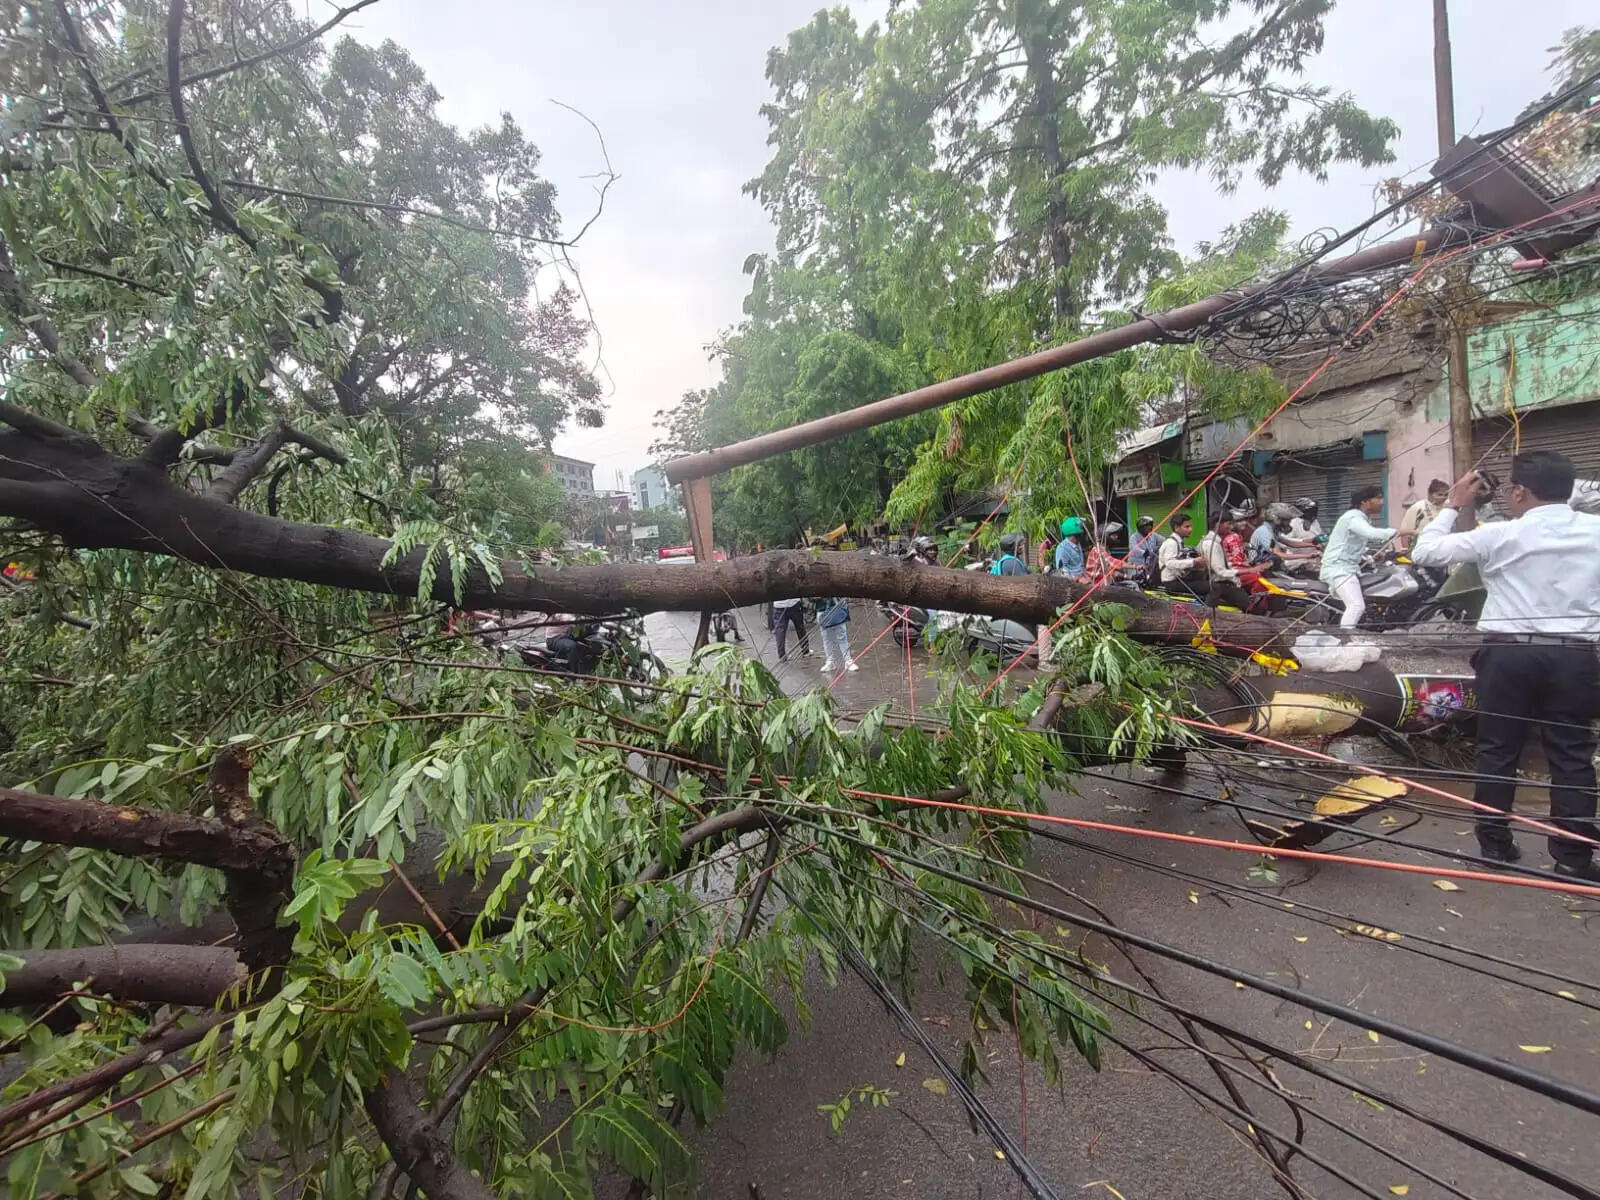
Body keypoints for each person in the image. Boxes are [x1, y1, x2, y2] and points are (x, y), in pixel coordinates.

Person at [1411, 451, 1600, 880]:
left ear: (1518, 492)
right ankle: (1572, 859)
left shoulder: (1499, 534)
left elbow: (1425, 551)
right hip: (1574, 656)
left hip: (1509, 655)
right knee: (1572, 754)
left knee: (1498, 750)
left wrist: (1454, 504)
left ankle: (1495, 847)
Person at [1318, 486, 1397, 629]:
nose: (1382, 502)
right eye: (1378, 498)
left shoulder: (1361, 518)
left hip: (1349, 568)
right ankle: (1345, 639)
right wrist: (1398, 532)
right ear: (1364, 502)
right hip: (1339, 569)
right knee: (1356, 606)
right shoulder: (1353, 517)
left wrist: (1370, 556)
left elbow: (1352, 545)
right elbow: (1371, 534)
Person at [1197, 514, 1251, 609]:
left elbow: (1220, 562)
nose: (1231, 527)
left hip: (1220, 580)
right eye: (1228, 524)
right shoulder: (1211, 544)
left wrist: (1236, 565)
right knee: (1248, 604)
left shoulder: (1215, 541)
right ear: (1217, 524)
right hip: (1220, 583)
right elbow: (1220, 571)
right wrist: (1241, 572)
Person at [771, 563, 813, 660]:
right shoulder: (792, 570)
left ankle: (782, 655)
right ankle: (805, 650)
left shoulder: (774, 573)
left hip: (778, 605)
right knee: (800, 628)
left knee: (780, 631)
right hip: (793, 604)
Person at [1157, 514, 1203, 596]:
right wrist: (1193, 562)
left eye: (1190, 526)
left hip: (1179, 578)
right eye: (1187, 527)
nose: (1190, 529)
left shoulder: (1178, 542)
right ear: (1176, 528)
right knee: (1211, 587)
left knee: (1204, 575)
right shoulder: (1171, 543)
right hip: (1172, 583)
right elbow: (1170, 563)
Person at [1397, 479, 1449, 550]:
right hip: (1421, 549)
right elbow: (1405, 534)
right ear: (1429, 494)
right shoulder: (1418, 507)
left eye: (1446, 495)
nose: (1443, 498)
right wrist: (1406, 551)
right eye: (1439, 494)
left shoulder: (1448, 508)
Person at [815, 595, 858, 673]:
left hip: (837, 608)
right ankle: (830, 662)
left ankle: (848, 661)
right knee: (827, 639)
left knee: (842, 637)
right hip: (822, 610)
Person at [1127, 514, 1160, 583]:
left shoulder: (1153, 535)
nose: (1150, 527)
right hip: (1136, 566)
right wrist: (1144, 552)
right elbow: (1134, 548)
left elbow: (1163, 540)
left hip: (1148, 566)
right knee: (1136, 582)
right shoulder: (1134, 537)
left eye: (1151, 525)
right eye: (1147, 526)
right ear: (1141, 527)